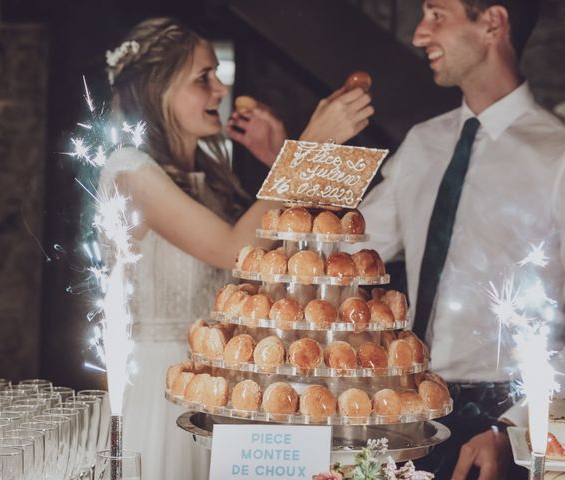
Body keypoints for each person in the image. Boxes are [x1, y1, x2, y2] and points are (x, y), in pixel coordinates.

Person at [354, 1, 565, 479]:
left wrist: (513, 427)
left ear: (492, 23)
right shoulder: (421, 145)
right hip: (405, 413)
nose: (419, 35)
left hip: (509, 424)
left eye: (437, 15)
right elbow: (349, 254)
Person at [99, 17, 373, 479]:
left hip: (226, 384)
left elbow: (274, 265)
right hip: (162, 385)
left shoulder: (213, 178)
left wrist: (281, 156)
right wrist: (306, 148)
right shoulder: (128, 170)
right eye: (202, 78)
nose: (220, 89)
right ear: (156, 89)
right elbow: (234, 250)